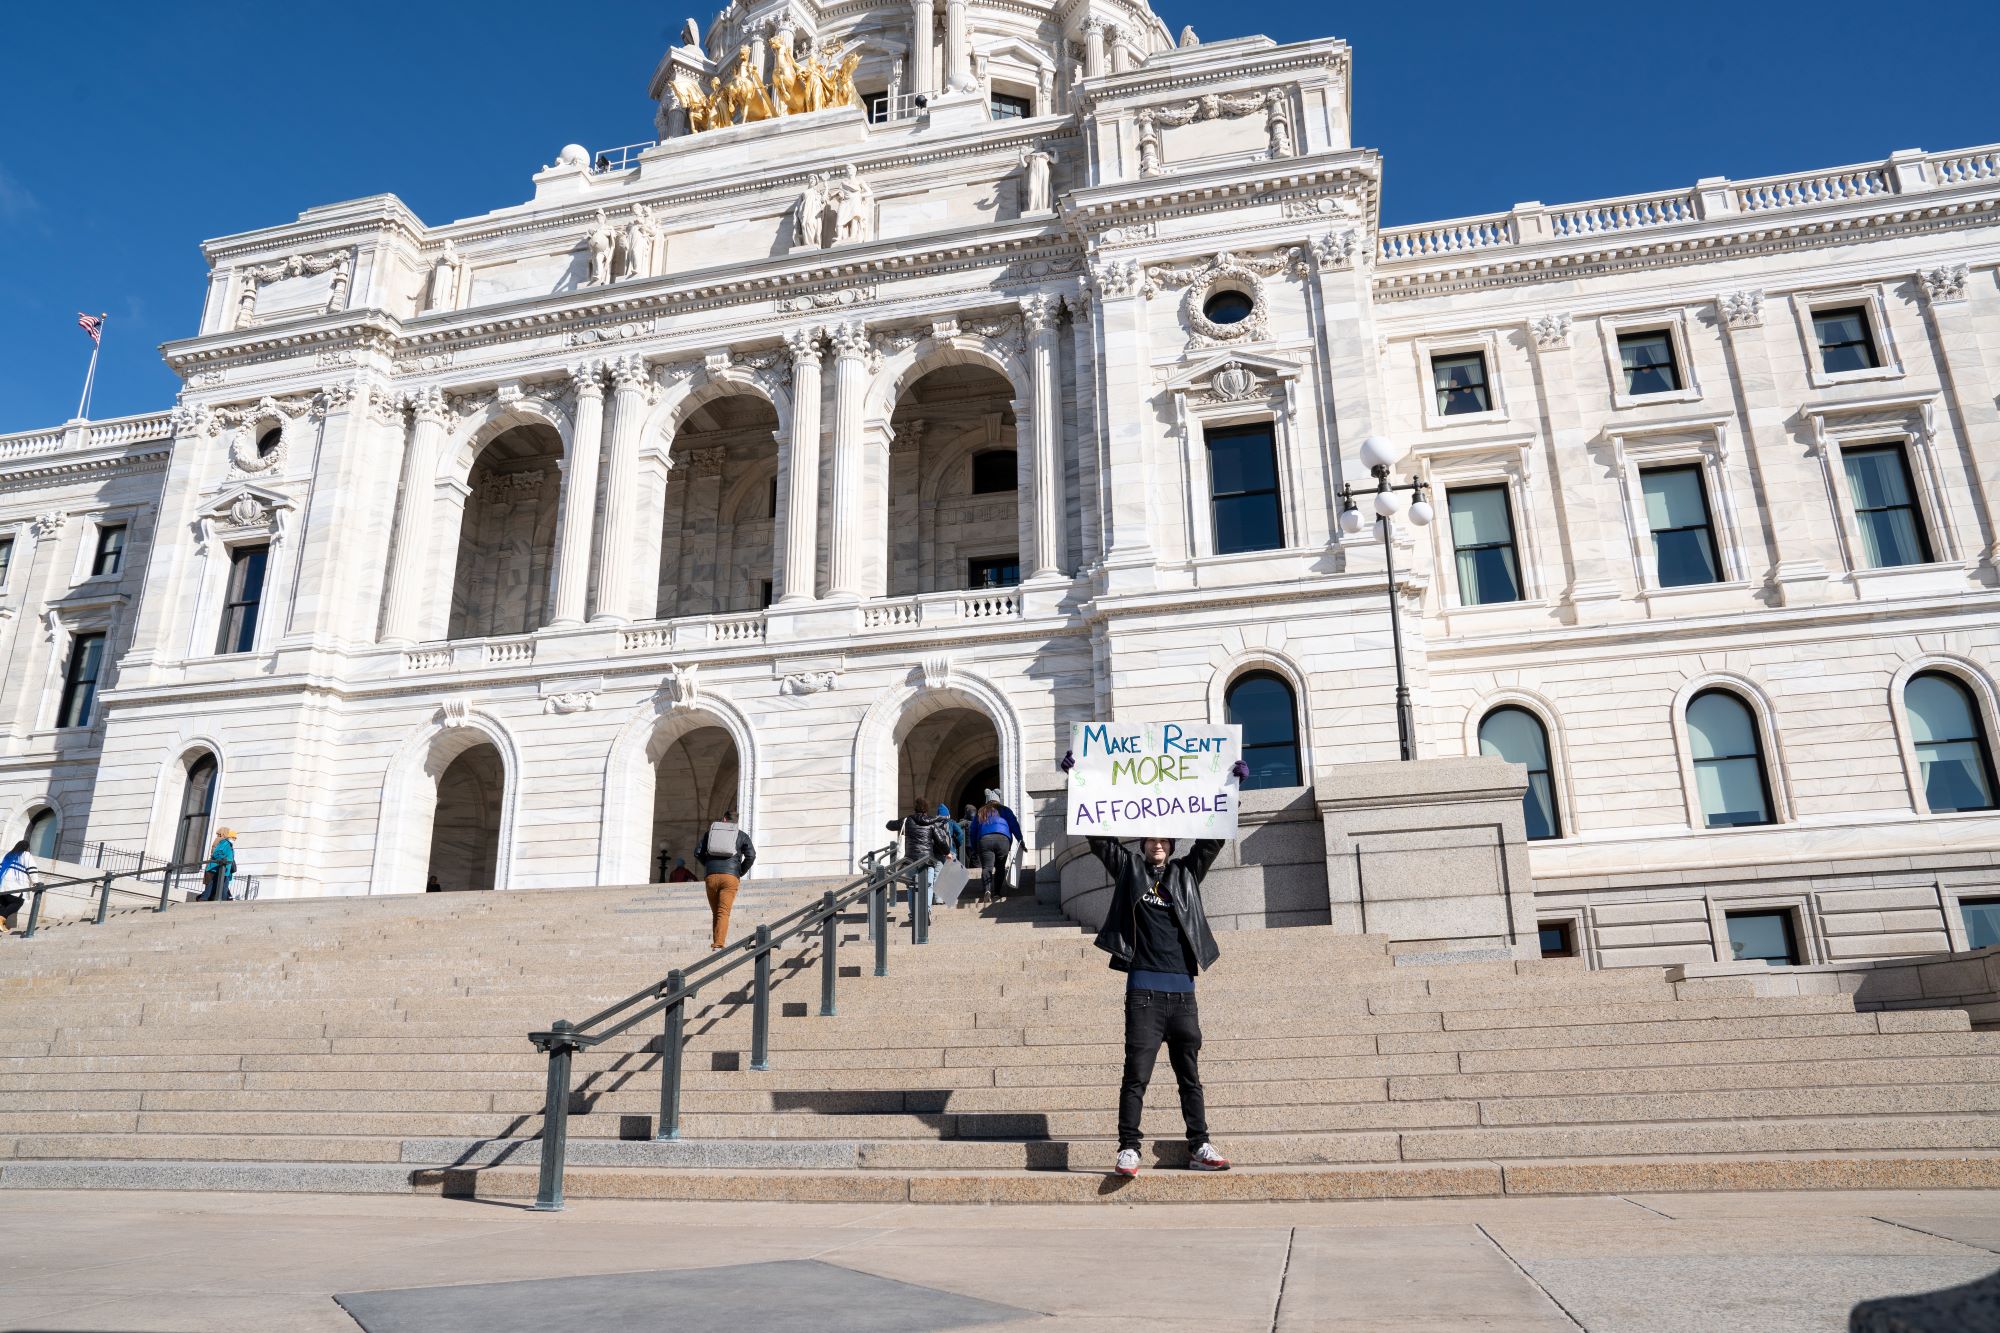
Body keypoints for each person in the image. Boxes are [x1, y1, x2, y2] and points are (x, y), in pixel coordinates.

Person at [1061, 748, 1248, 1177]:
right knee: (1136, 1075)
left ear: (1171, 844)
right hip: (1143, 990)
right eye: (1151, 840)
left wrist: (1231, 789)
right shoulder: (1129, 869)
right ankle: (1129, 1148)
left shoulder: (1186, 874)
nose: (1158, 845)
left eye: (1164, 840)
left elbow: (1213, 838)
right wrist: (1078, 783)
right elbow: (1098, 839)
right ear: (1143, 845)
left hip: (1183, 991)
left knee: (1190, 1077)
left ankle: (1199, 1145)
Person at [694, 813, 756, 950]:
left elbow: (697, 852)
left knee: (716, 911)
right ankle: (718, 944)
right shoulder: (741, 835)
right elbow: (751, 856)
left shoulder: (710, 833)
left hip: (711, 876)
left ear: (723, 819)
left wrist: (709, 866)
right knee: (723, 911)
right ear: (736, 822)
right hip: (730, 877)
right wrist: (740, 871)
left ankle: (717, 942)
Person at [884, 799, 953, 920]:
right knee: (928, 885)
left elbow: (889, 825)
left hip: (910, 860)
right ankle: (926, 911)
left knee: (911, 886)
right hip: (927, 859)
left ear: (915, 809)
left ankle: (912, 914)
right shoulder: (932, 823)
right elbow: (941, 841)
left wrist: (901, 823)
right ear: (926, 810)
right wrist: (947, 852)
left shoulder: (907, 821)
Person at [968, 792, 1024, 906]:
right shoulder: (1005, 810)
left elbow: (973, 831)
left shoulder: (981, 811)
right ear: (998, 800)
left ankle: (987, 890)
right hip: (1003, 839)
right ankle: (997, 893)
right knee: (1000, 867)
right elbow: (1014, 825)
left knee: (987, 867)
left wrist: (975, 847)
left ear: (987, 801)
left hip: (984, 840)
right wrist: (1020, 839)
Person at [0, 839, 34, 934]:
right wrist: (35, 882)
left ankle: (1, 923)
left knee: (4, 904)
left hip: (3, 886)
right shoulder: (26, 855)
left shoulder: (7, 855)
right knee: (18, 903)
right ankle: (2, 918)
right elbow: (32, 869)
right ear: (26, 848)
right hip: (16, 887)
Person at [197, 828, 237, 902]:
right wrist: (223, 860)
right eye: (233, 837)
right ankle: (222, 899)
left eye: (235, 838)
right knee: (221, 885)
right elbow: (217, 853)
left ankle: (204, 898)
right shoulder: (225, 843)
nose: (234, 839)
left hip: (224, 869)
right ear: (229, 837)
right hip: (221, 867)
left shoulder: (229, 845)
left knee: (215, 884)